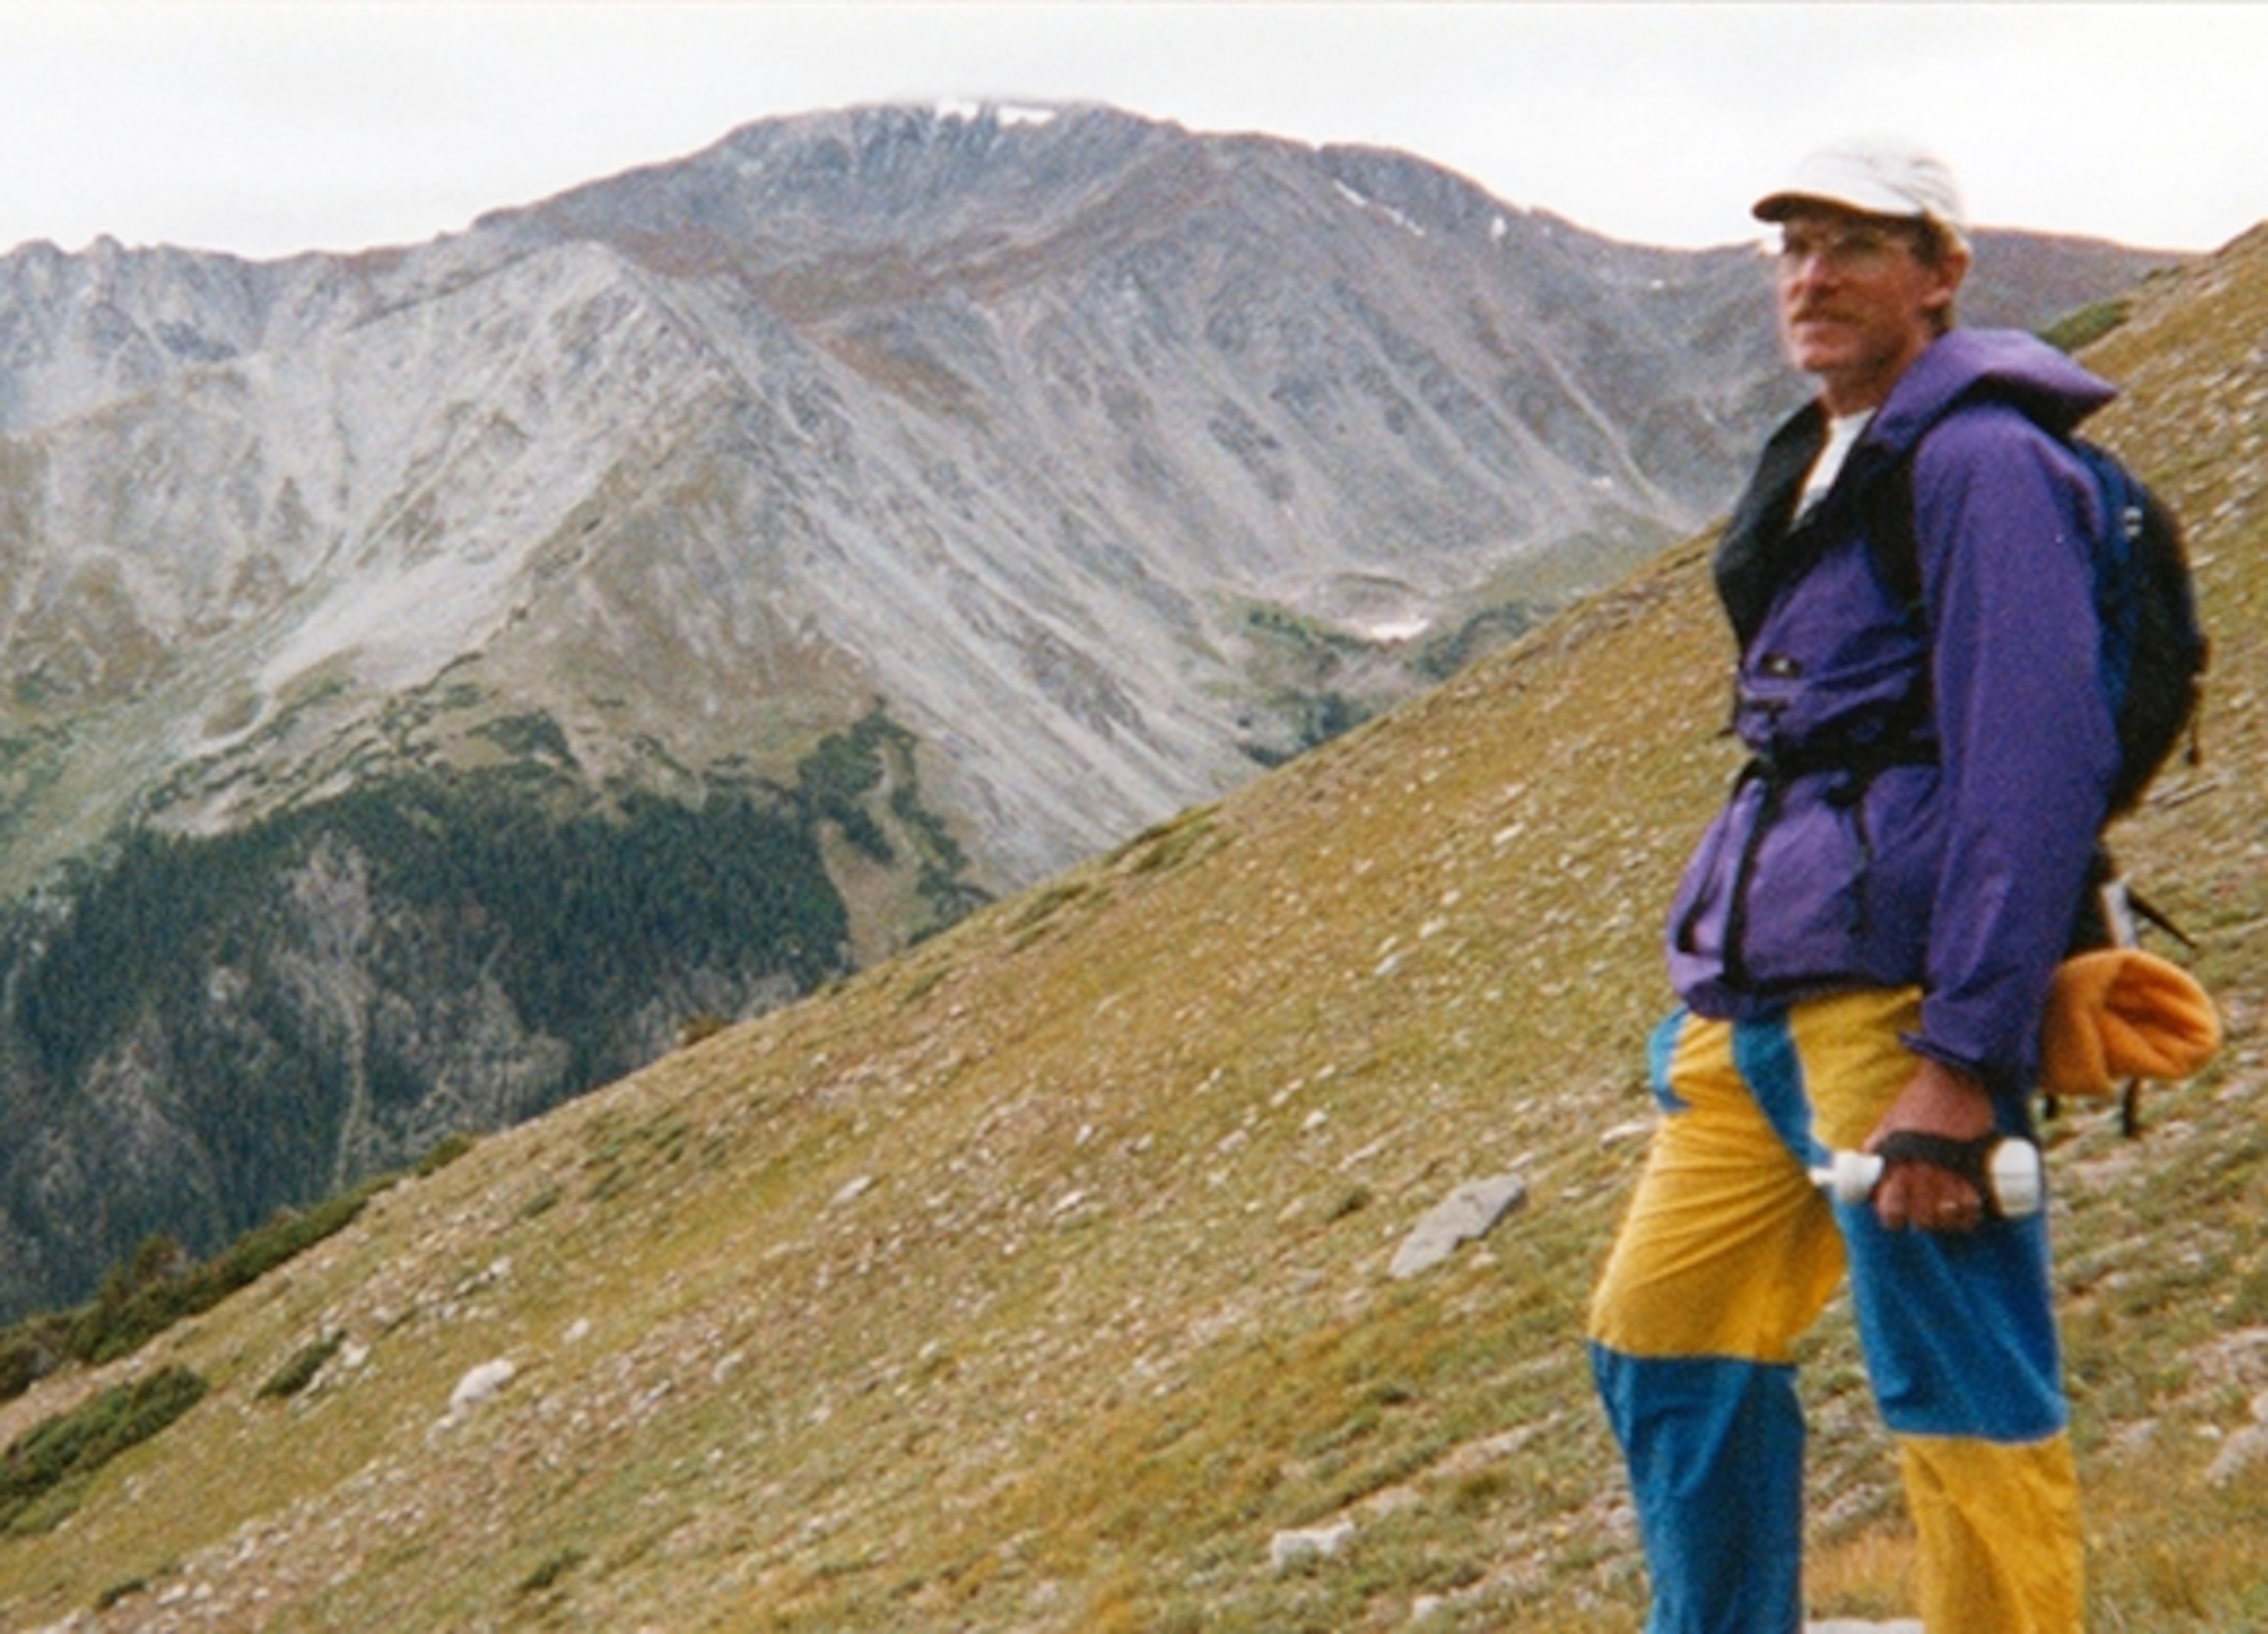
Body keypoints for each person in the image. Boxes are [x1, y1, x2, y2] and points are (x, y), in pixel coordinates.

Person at [1586, 138, 2117, 1633]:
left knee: (1959, 1380)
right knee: (1660, 1331)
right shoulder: (1832, 455)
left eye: (1858, 246)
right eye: (1796, 247)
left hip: (1899, 1006)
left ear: (1942, 274)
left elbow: (2035, 765)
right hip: (1759, 996)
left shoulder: (1983, 462)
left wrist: (1962, 1059)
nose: (1814, 278)